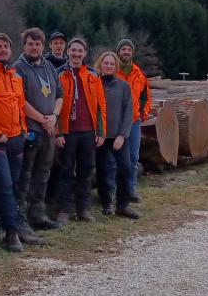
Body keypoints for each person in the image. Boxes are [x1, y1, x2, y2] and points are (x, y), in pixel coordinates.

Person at [0, 32, 39, 252]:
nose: (3, 50)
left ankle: (15, 225)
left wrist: (23, 131)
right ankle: (11, 233)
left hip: (16, 138)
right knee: (4, 184)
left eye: (6, 46)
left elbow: (20, 105)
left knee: (13, 184)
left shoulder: (15, 75)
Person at [13, 27, 63, 234]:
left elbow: (59, 95)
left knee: (43, 174)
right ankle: (21, 218)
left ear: (43, 45)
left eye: (38, 44)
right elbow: (19, 100)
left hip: (49, 130)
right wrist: (42, 118)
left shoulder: (50, 67)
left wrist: (54, 117)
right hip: (30, 131)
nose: (34, 47)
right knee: (24, 175)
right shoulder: (18, 68)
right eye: (30, 44)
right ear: (24, 45)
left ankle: (38, 214)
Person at [54, 37, 107, 225]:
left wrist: (101, 131)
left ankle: (83, 209)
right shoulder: (58, 74)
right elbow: (54, 105)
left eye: (80, 51)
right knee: (66, 170)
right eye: (73, 50)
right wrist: (57, 132)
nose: (76, 54)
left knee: (86, 170)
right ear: (68, 52)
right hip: (68, 131)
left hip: (88, 131)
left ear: (85, 53)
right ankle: (64, 210)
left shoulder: (93, 75)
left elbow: (101, 105)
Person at [93, 51, 140, 220]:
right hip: (100, 136)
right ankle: (106, 203)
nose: (109, 66)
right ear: (100, 64)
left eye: (112, 64)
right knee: (102, 170)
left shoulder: (123, 86)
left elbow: (128, 112)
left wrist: (122, 135)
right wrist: (98, 133)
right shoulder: (94, 83)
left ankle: (123, 205)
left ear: (116, 66)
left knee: (125, 168)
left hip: (118, 136)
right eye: (106, 63)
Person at [115, 38, 151, 202]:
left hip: (134, 121)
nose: (126, 52)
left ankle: (130, 190)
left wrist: (143, 114)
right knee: (114, 158)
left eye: (129, 50)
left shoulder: (140, 73)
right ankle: (115, 191)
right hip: (115, 122)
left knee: (133, 157)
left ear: (132, 53)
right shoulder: (112, 70)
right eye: (123, 49)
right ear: (118, 52)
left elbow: (146, 97)